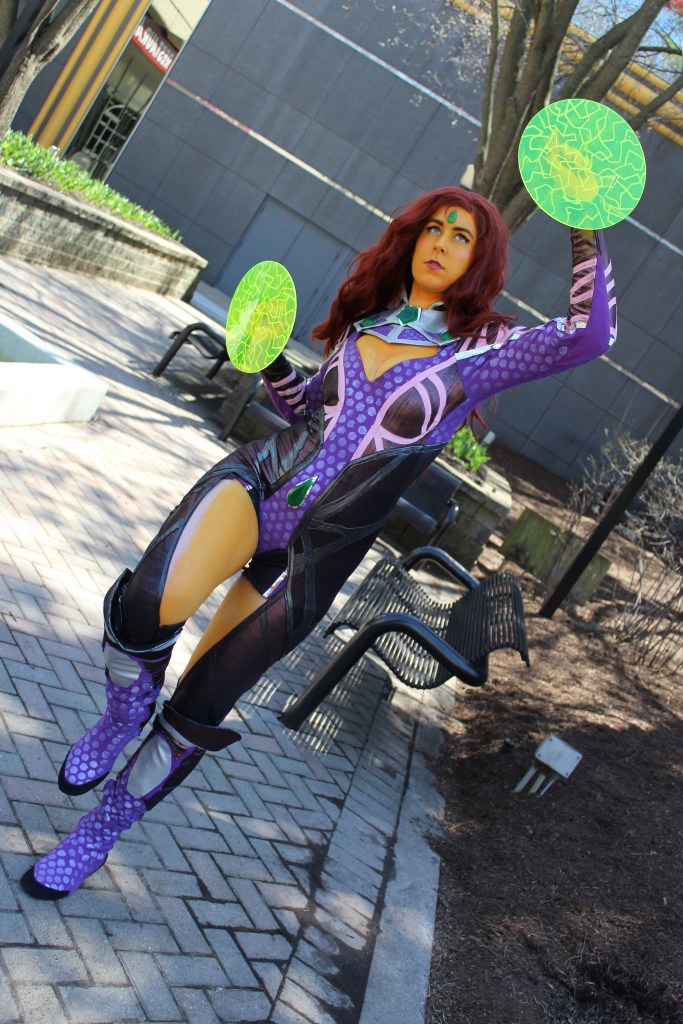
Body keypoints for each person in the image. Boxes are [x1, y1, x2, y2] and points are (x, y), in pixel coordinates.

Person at [21, 187, 616, 899]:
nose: (441, 242)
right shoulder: (367, 318)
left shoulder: (483, 352)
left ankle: (100, 831)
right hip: (262, 480)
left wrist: (584, 217)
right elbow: (312, 411)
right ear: (412, 236)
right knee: (145, 603)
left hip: (317, 549)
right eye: (434, 227)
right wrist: (273, 361)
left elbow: (589, 335)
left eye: (461, 237)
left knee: (199, 703)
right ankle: (122, 711)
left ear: (479, 260)